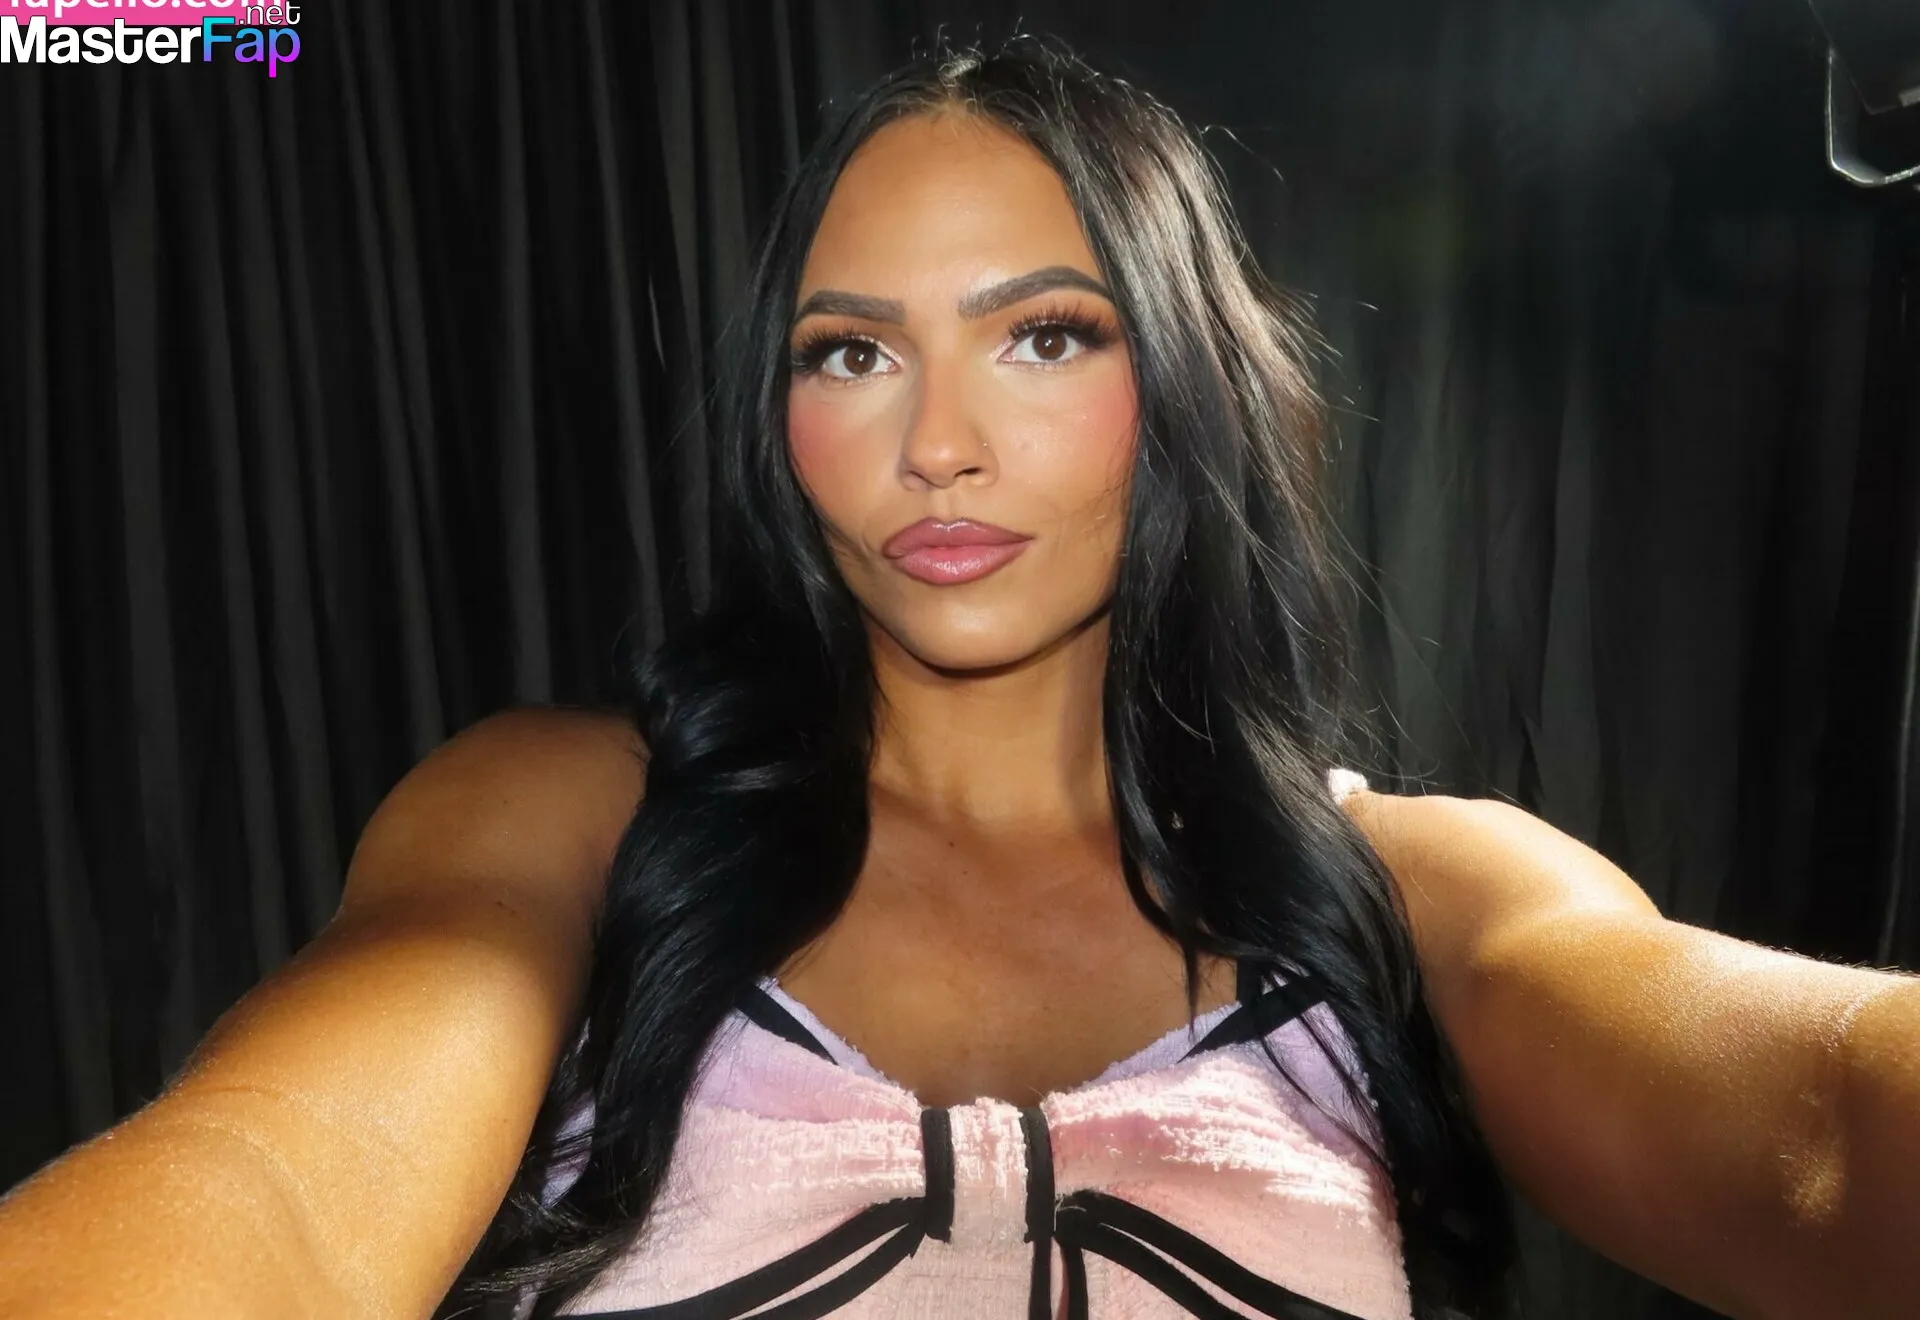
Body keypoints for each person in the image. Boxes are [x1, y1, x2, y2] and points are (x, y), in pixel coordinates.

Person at [2, 39, 1917, 1320]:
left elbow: (1830, 1135)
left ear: (1185, 383)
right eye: (849, 354)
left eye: (1044, 336)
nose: (935, 445)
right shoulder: (574, 820)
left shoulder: (1412, 897)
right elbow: (275, 1193)